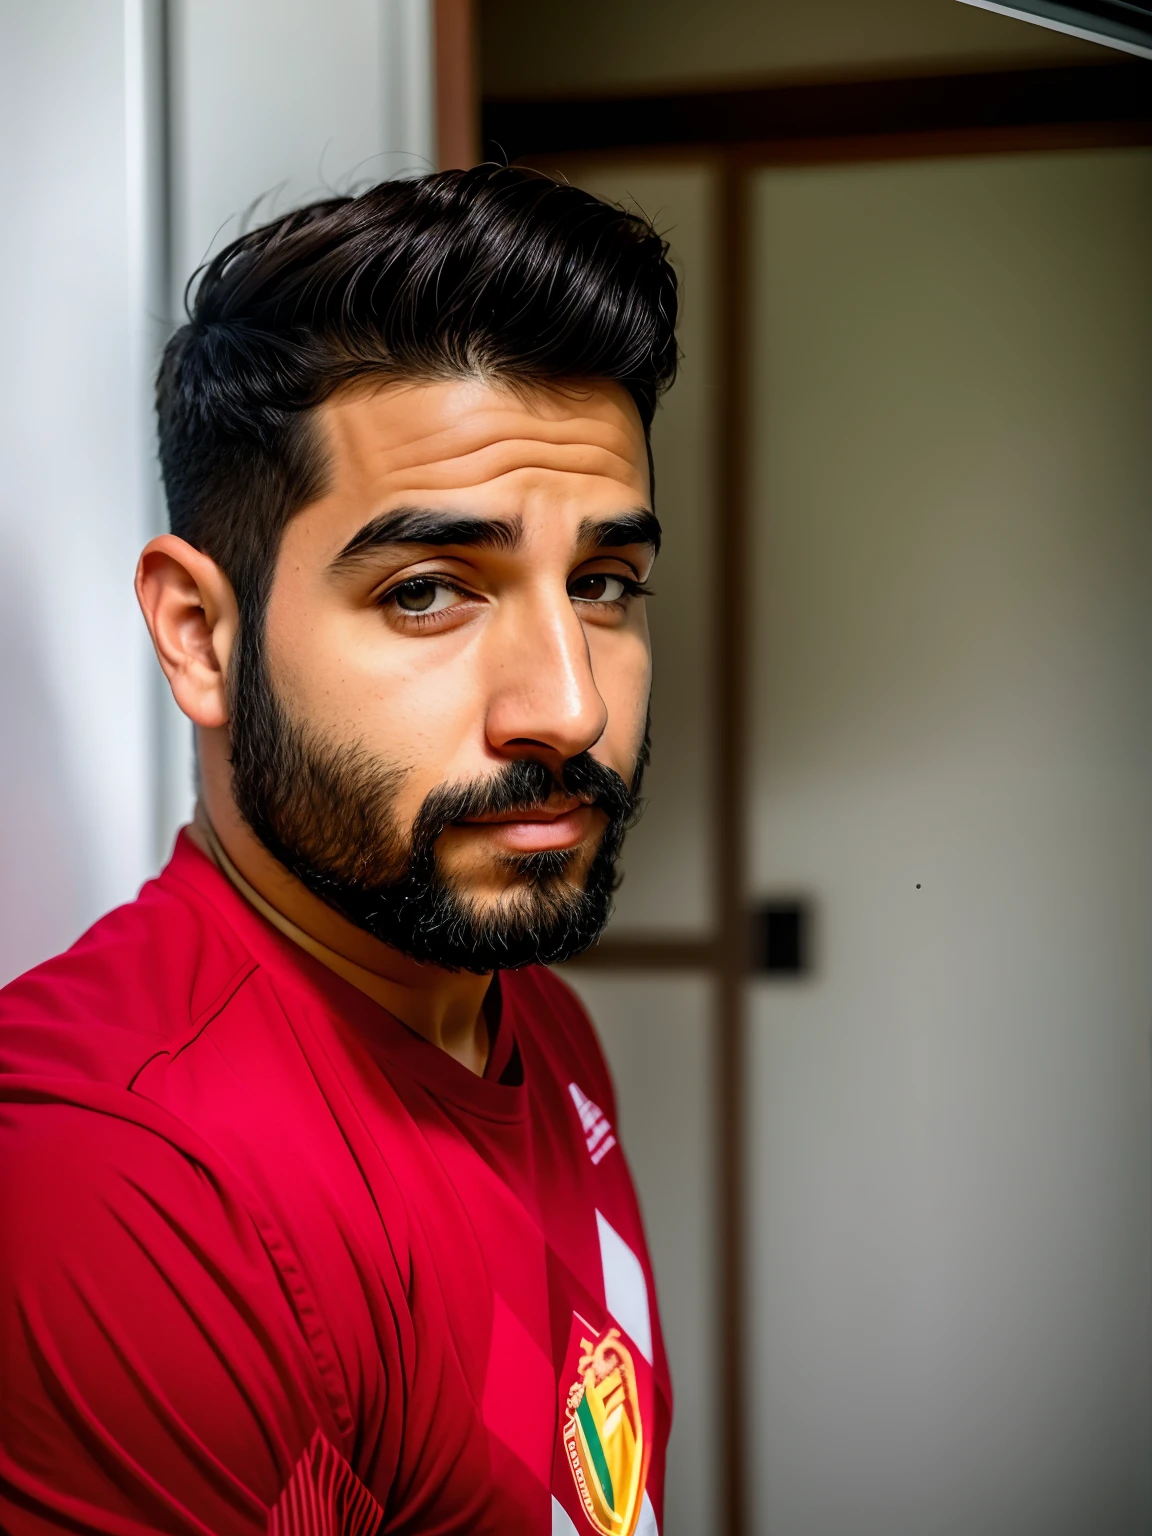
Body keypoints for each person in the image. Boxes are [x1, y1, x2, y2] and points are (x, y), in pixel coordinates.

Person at [0, 167, 678, 1535]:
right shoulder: (118, 1190)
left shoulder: (530, 1014)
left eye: (603, 585)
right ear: (201, 633)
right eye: (429, 591)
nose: (570, 705)